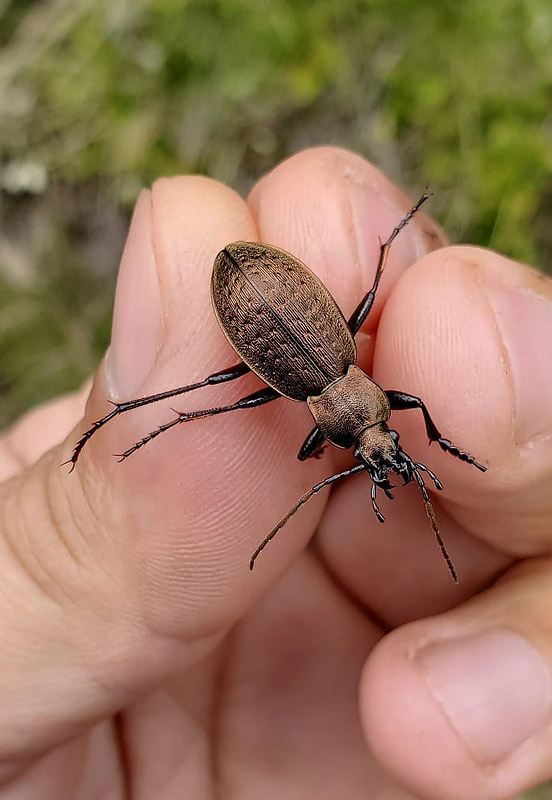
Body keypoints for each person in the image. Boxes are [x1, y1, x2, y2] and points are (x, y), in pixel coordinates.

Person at [1, 147, 551, 799]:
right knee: (205, 391)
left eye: (367, 442)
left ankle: (160, 417)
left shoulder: (340, 387)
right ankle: (157, 416)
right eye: (382, 436)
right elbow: (319, 447)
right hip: (248, 283)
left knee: (252, 383)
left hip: (260, 289)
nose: (379, 447)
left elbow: (320, 447)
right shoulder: (335, 387)